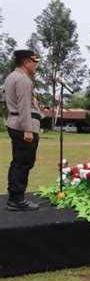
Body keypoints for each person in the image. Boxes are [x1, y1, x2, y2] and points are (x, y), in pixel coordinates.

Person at [4, 50, 41, 211]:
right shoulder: (23, 80)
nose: (36, 65)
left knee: (18, 162)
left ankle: (14, 197)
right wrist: (28, 129)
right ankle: (17, 199)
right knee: (24, 162)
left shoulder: (11, 77)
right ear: (26, 62)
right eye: (34, 62)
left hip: (14, 122)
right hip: (23, 125)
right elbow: (24, 106)